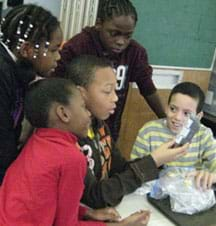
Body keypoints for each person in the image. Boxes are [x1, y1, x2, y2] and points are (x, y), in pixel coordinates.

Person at [0, 78, 151, 226]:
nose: (89, 114)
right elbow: (65, 224)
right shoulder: (71, 158)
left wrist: (87, 213)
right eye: (84, 107)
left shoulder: (37, 139)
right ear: (64, 114)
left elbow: (49, 200)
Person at [64, 55, 188, 208]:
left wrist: (157, 160)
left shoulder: (100, 126)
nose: (115, 98)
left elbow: (120, 168)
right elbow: (95, 196)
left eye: (115, 90)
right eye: (108, 91)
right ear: (81, 94)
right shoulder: (68, 141)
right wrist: (153, 161)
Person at [54, 0, 165, 141]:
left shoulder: (135, 53)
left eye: (127, 36)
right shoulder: (78, 46)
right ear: (99, 23)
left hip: (109, 128)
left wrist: (167, 119)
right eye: (114, 33)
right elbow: (56, 85)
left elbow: (148, 88)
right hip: (74, 127)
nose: (121, 41)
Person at [0, 4, 63, 183]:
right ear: (27, 49)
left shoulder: (20, 71)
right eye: (53, 50)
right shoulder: (3, 74)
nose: (58, 57)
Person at [131, 82, 216, 190]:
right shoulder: (148, 132)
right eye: (173, 109)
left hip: (189, 194)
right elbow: (134, 170)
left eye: (187, 114)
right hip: (154, 193)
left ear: (198, 117)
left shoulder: (203, 135)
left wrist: (212, 176)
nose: (177, 117)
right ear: (166, 108)